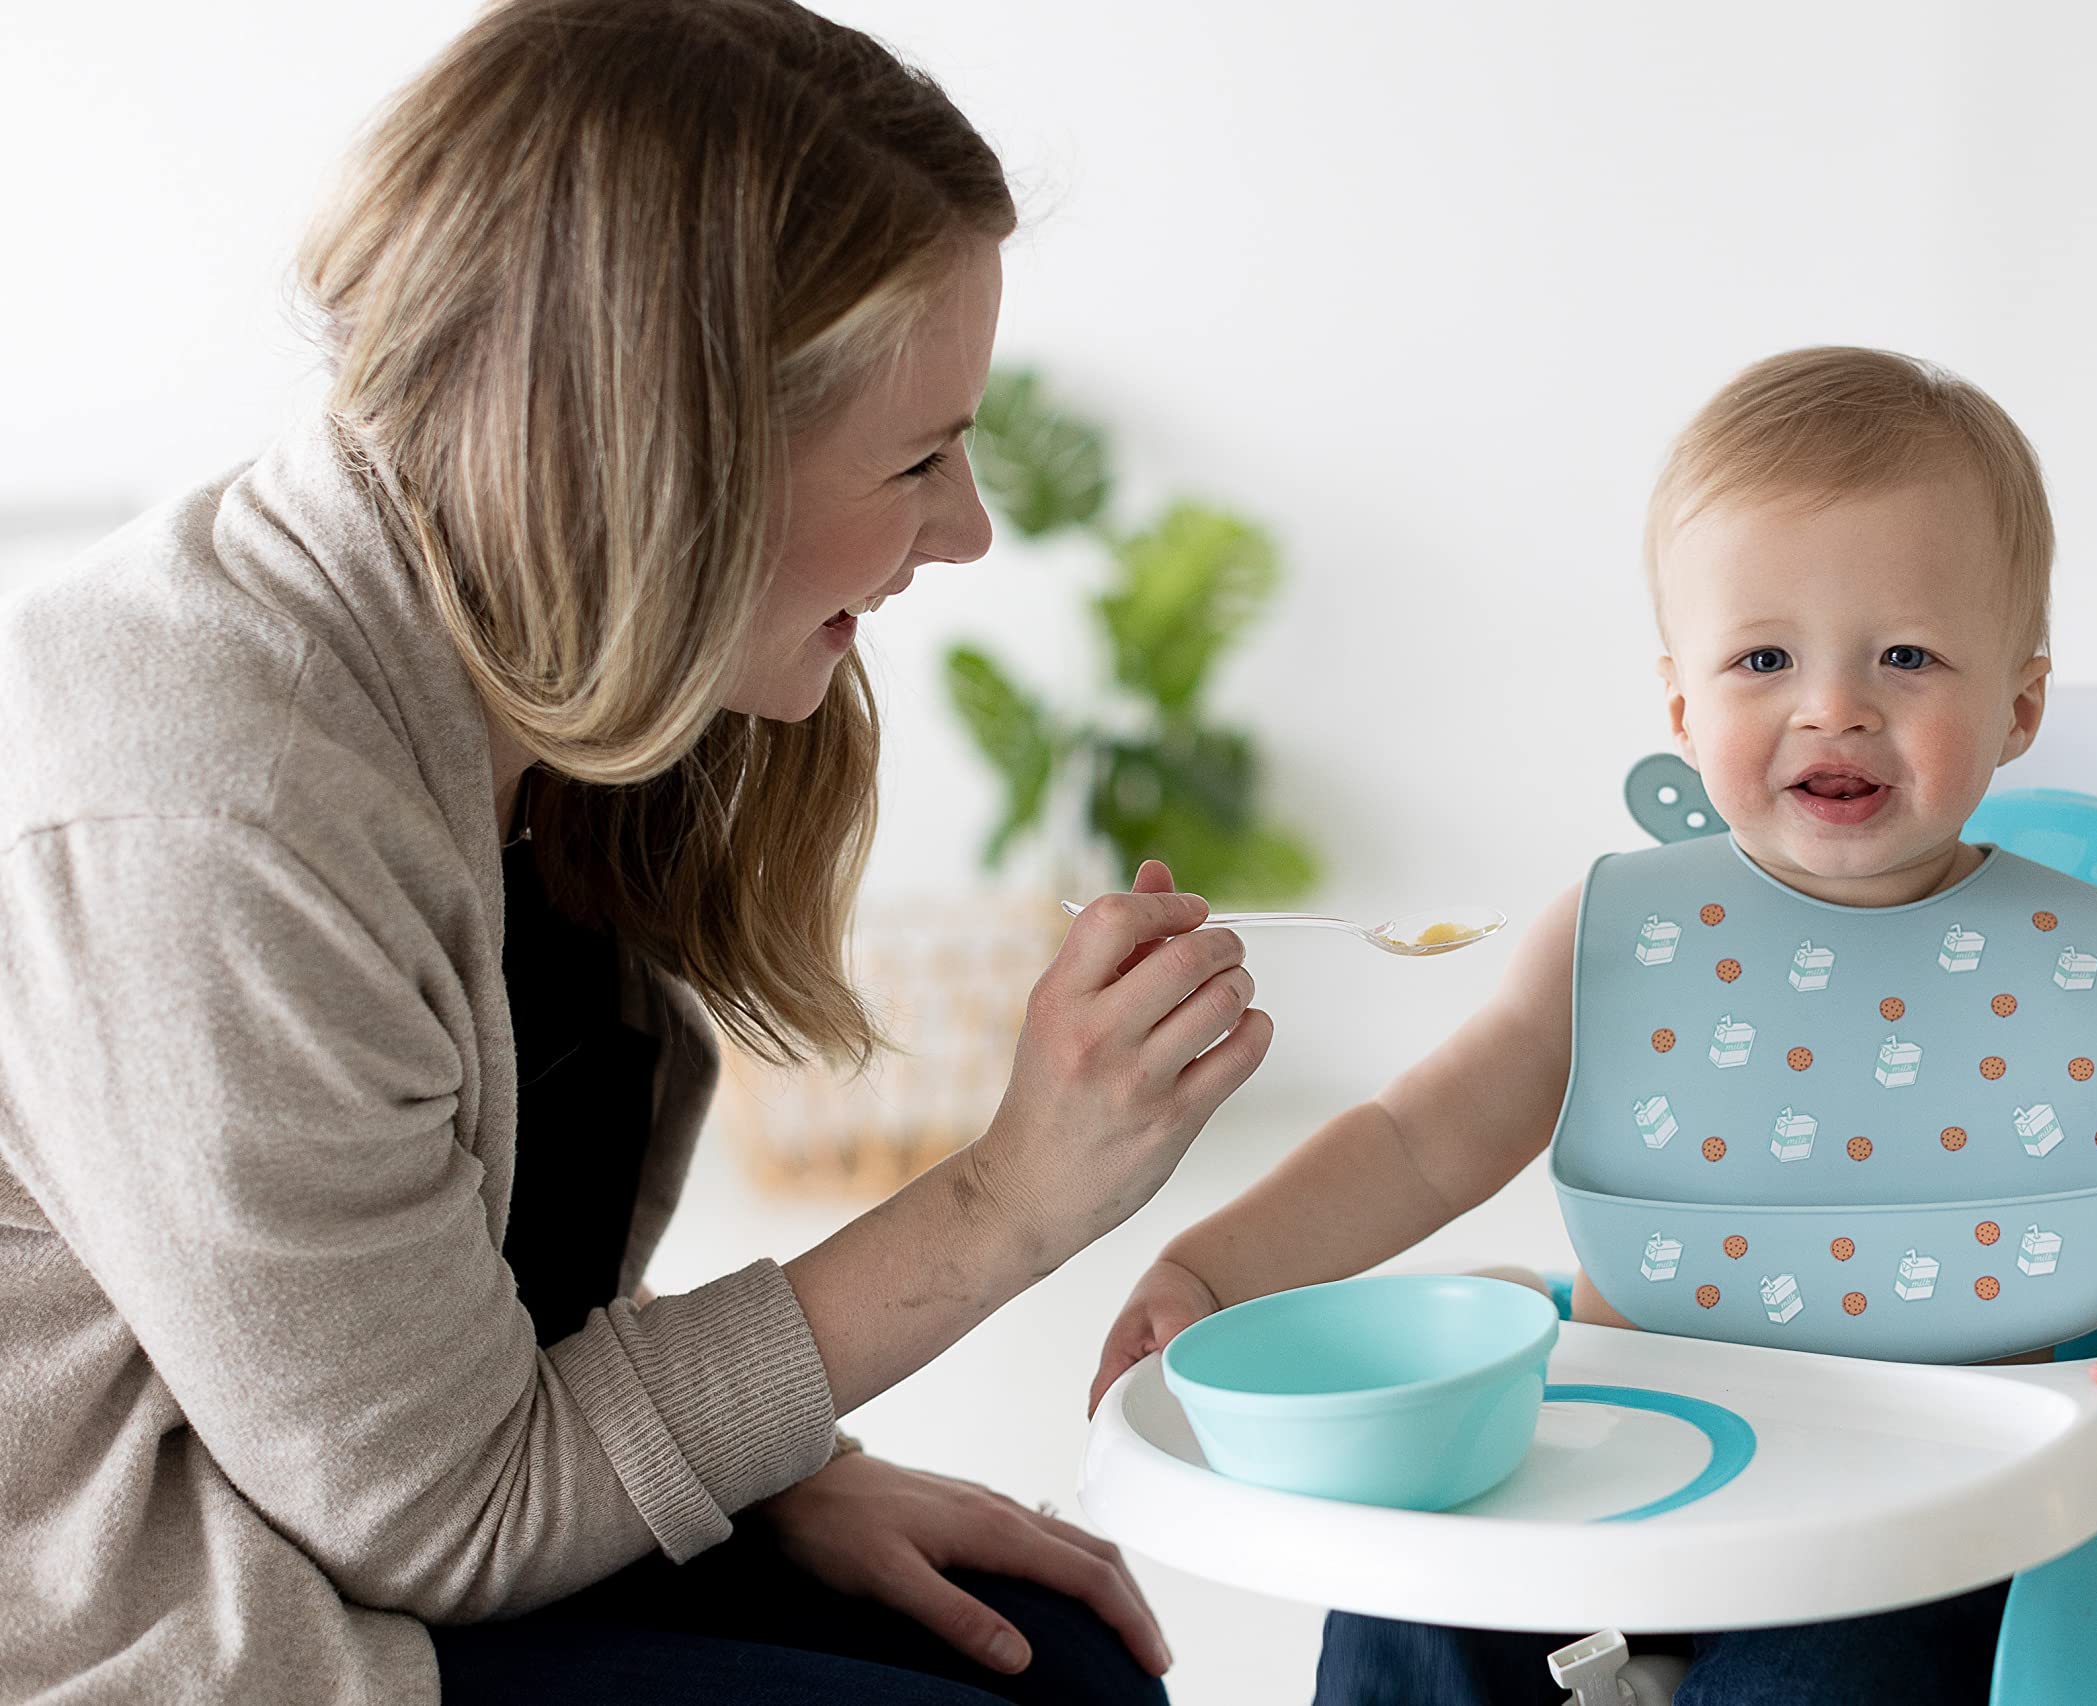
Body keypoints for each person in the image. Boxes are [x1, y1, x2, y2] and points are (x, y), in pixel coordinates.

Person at [0, 4, 1271, 1702]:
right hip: (207, 1610)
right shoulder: (215, 807)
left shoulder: (552, 692)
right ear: (668, 453)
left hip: (368, 1501)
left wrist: (776, 1463)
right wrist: (1008, 1199)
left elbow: (456, 1297)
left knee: (1065, 1659)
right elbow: (439, 1509)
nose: (964, 528)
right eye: (914, 458)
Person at [1090, 346, 2097, 1704]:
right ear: (1681, 704)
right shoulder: (1615, 939)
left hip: (1900, 1530)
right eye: (1764, 656)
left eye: (1905, 654)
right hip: (1611, 1463)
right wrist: (1216, 1270)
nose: (1832, 704)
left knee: (1845, 1674)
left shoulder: (2077, 957)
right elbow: (1418, 1141)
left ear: (2019, 702)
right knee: (1404, 1605)